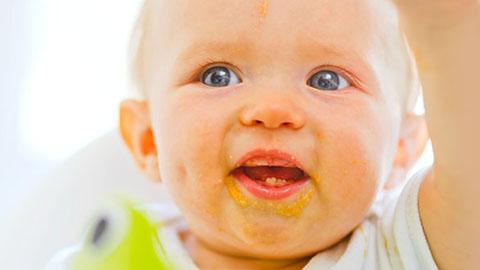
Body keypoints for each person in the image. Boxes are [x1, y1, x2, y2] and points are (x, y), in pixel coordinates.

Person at [50, 0, 480, 269]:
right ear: (148, 141)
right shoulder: (110, 257)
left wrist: (444, 31)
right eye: (218, 76)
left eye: (327, 80)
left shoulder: (402, 251)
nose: (272, 110)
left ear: (402, 148)